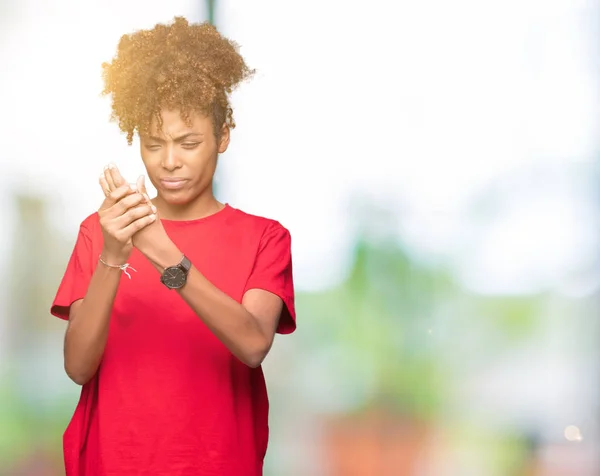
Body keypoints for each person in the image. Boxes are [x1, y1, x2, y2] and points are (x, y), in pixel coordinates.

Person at [50, 17, 295, 476]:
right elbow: (78, 367)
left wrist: (163, 252)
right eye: (152, 143)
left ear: (222, 137)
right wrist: (114, 256)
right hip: (113, 463)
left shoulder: (266, 238)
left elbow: (252, 344)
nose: (168, 162)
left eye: (188, 143)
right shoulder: (101, 231)